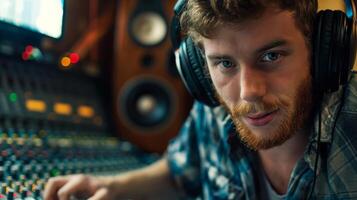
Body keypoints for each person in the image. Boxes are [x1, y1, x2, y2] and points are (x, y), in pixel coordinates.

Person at [44, 0, 357, 199]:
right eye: (224, 63)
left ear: (319, 49)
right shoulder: (213, 114)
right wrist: (111, 187)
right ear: (199, 66)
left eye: (271, 56)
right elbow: (177, 175)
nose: (248, 92)